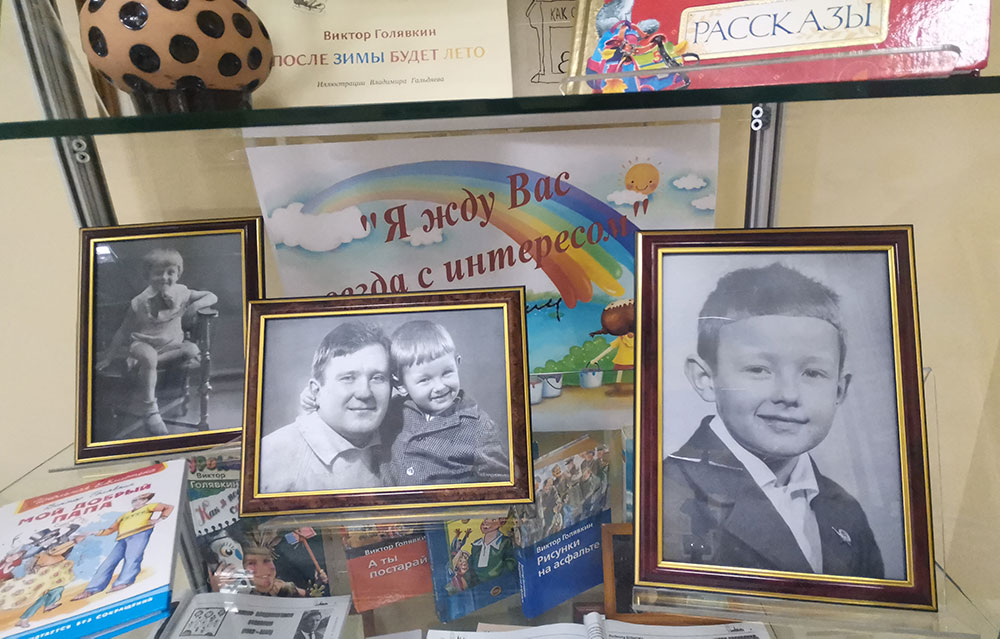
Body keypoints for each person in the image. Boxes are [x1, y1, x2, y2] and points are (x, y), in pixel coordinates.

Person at [662, 263, 884, 578]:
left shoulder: (845, 511)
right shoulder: (666, 496)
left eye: (812, 373)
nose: (788, 394)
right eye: (759, 369)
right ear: (706, 378)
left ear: (840, 389)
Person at [260, 322, 392, 493]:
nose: (365, 393)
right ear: (316, 390)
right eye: (348, 378)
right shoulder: (270, 457)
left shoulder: (401, 436)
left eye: (378, 378)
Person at [97, 248, 217, 436]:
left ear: (178, 274)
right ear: (148, 275)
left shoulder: (181, 292)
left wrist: (194, 307)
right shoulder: (139, 302)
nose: (164, 277)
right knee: (149, 355)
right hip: (143, 344)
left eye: (170, 272)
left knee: (192, 350)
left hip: (171, 346)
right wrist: (109, 357)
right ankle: (150, 408)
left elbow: (212, 296)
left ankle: (143, 365)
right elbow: (123, 331)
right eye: (158, 273)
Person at [383, 320, 509, 486]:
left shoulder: (479, 427)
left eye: (447, 372)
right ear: (400, 384)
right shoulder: (392, 412)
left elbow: (501, 482)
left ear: (457, 363)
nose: (440, 386)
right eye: (425, 380)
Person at [72, 494, 173, 600]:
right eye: (135, 500)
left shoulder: (149, 507)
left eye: (141, 499)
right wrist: (90, 533)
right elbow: (110, 530)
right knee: (108, 562)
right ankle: (92, 589)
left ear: (146, 500)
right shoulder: (124, 516)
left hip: (139, 534)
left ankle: (123, 582)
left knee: (132, 558)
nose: (137, 502)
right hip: (122, 538)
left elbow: (168, 507)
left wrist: (159, 519)